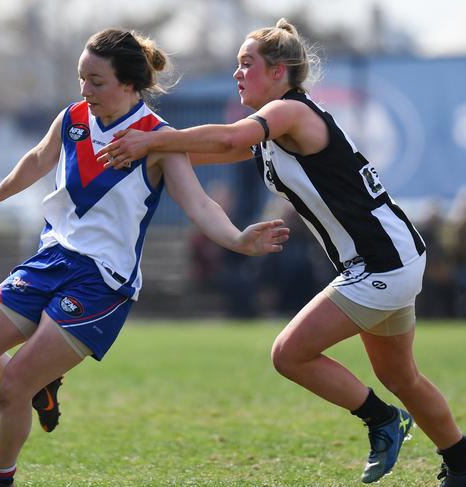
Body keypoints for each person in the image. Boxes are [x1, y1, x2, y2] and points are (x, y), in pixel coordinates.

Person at [96, 19, 466, 487]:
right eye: (236, 65)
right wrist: (142, 151)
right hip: (389, 257)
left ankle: (382, 420)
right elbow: (207, 153)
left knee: (290, 354)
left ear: (279, 72)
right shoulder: (273, 132)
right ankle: (461, 461)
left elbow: (228, 139)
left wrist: (152, 139)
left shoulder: (291, 112)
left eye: (246, 63)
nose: (237, 73)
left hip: (383, 262)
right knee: (402, 376)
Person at [0, 28, 290, 487]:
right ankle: (41, 384)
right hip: (50, 261)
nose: (85, 90)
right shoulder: (72, 117)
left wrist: (238, 239)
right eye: (81, 78)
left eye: (96, 81)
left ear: (128, 84)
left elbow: (200, 204)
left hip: (101, 282)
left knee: (12, 388)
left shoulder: (159, 139)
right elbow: (38, 158)